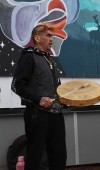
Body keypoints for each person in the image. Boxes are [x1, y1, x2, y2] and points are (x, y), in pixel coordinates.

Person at [11, 24, 67, 170]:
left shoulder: (50, 60)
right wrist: (39, 99)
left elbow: (55, 90)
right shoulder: (29, 57)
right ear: (37, 38)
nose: (51, 39)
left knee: (59, 156)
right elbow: (17, 85)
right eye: (48, 35)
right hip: (37, 115)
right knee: (35, 157)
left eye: (52, 36)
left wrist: (66, 100)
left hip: (56, 115)